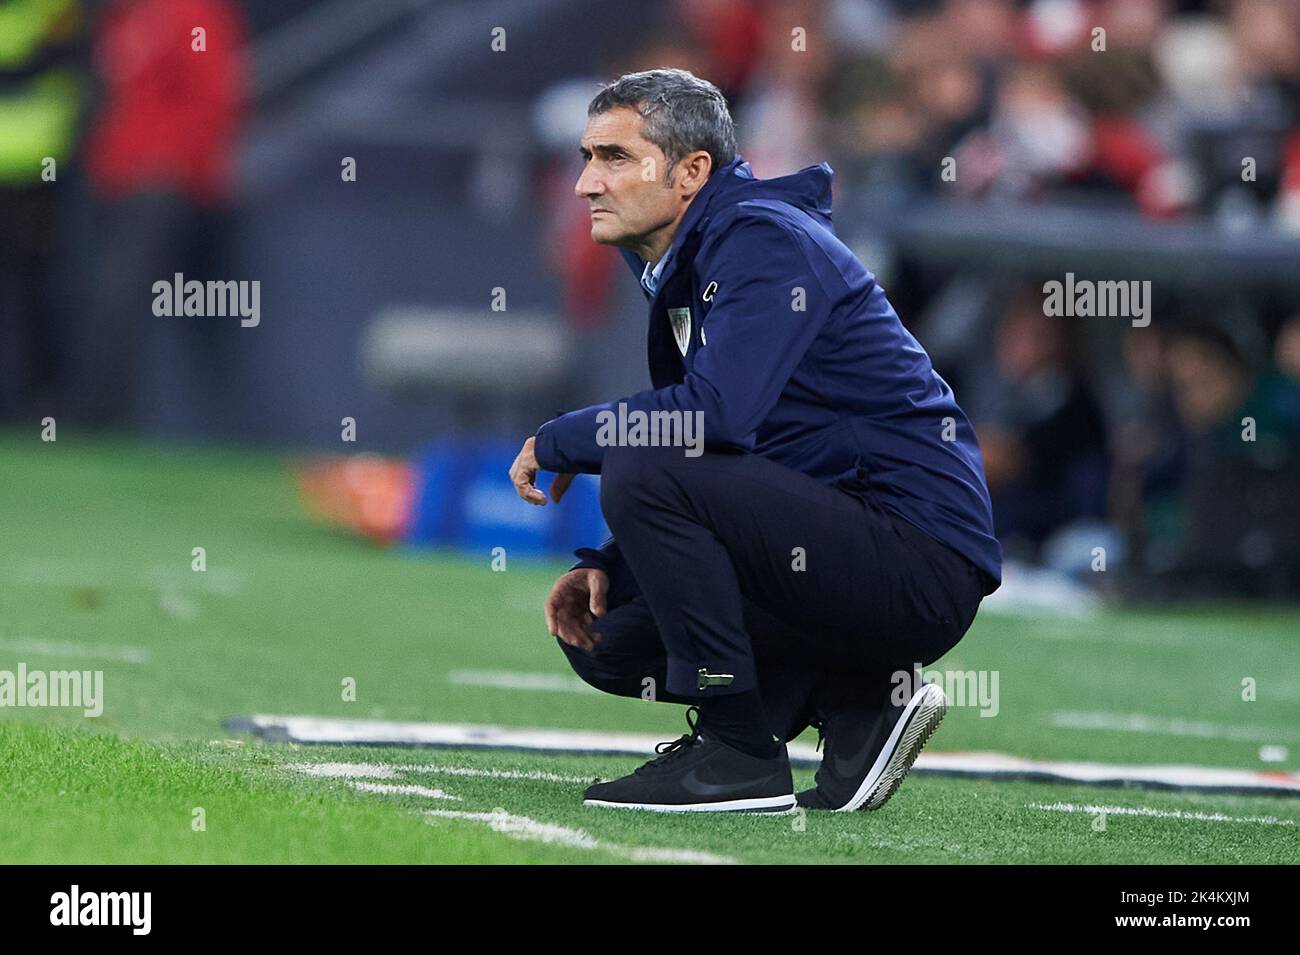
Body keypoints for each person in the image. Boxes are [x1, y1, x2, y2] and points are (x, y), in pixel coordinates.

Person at [508, 68, 1001, 813]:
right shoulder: (698, 257)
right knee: (612, 636)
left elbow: (712, 419)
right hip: (848, 541)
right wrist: (618, 560)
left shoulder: (761, 241)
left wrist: (563, 437)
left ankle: (738, 750)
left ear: (691, 171)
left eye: (614, 157)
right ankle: (859, 695)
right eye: (586, 157)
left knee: (644, 461)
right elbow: (741, 451)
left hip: (916, 555)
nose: (585, 183)